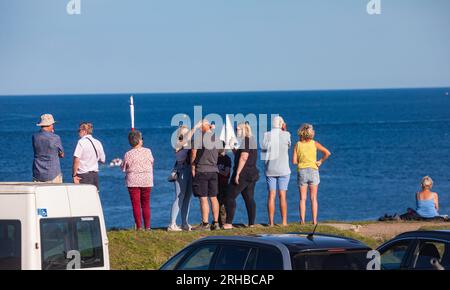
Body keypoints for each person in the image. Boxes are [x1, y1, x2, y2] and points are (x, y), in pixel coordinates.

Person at [292, 123, 331, 225]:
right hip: (313, 171)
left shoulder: (297, 145)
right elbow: (327, 153)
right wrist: (320, 161)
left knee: (302, 199)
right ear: (311, 134)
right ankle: (314, 221)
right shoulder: (314, 143)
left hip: (302, 171)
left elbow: (294, 161)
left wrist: (302, 160)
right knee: (313, 198)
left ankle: (302, 221)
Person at [223, 122, 259, 230]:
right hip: (252, 174)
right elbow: (240, 155)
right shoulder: (250, 141)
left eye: (237, 129)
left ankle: (228, 223)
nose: (235, 131)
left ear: (243, 130)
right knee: (249, 198)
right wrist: (233, 148)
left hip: (243, 174)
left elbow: (244, 157)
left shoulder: (246, 141)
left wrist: (237, 173)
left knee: (229, 196)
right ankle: (251, 223)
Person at [167, 123, 201, 232]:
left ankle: (184, 223)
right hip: (181, 171)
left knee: (187, 197)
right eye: (185, 132)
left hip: (189, 170)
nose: (187, 134)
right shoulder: (178, 143)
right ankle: (172, 224)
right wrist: (195, 127)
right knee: (179, 196)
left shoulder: (190, 144)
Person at [191, 120, 221, 231]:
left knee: (203, 198)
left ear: (203, 127)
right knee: (213, 197)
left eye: (200, 127)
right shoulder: (216, 137)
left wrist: (193, 165)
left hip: (202, 170)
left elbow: (193, 152)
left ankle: (205, 223)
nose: (199, 129)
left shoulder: (200, 138)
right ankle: (216, 222)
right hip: (213, 170)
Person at [121, 130, 154, 231]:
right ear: (139, 140)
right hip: (146, 179)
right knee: (146, 204)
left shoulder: (128, 154)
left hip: (133, 181)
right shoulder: (148, 151)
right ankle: (147, 227)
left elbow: (123, 168)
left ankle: (139, 227)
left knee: (136, 204)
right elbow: (152, 162)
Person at [262, 116, 291, 226]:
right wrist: (285, 129)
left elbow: (264, 153)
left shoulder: (266, 135)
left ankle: (271, 222)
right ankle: (284, 222)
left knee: (271, 195)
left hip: (270, 169)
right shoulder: (286, 134)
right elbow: (288, 146)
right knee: (282, 195)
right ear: (282, 124)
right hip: (284, 169)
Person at [72, 122, 106, 190]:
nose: (78, 132)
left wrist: (74, 175)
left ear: (84, 131)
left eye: (79, 130)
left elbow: (76, 159)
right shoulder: (98, 142)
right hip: (94, 176)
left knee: (82, 197)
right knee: (94, 197)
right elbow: (103, 160)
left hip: (83, 175)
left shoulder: (81, 142)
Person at [32, 114, 64, 183]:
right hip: (53, 173)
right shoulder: (55, 137)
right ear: (50, 125)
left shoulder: (35, 137)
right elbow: (62, 155)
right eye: (53, 124)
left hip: (37, 172)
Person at [217, 141, 232, 227]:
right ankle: (218, 222)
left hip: (224, 185)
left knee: (223, 205)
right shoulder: (215, 158)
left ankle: (224, 223)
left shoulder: (227, 159)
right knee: (217, 204)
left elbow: (226, 173)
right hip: (216, 184)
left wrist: (216, 169)